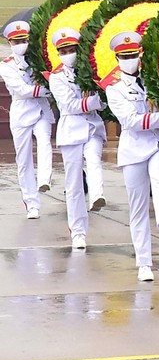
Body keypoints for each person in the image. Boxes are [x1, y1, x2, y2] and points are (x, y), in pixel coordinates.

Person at [105, 32, 159, 282]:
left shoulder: (156, 80)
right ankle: (144, 262)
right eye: (124, 56)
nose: (129, 60)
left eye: (133, 55)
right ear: (117, 58)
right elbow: (130, 121)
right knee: (137, 208)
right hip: (134, 148)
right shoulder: (114, 89)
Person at [48, 27, 107, 250]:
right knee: (73, 184)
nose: (69, 53)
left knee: (93, 159)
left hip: (92, 126)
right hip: (71, 130)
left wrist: (97, 98)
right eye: (64, 50)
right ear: (59, 53)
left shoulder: (91, 71)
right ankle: (78, 232)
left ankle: (97, 195)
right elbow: (69, 106)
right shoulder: (56, 77)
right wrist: (93, 102)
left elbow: (103, 98)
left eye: (72, 49)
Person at [0, 20, 55, 219]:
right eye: (16, 41)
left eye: (23, 39)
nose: (21, 44)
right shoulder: (6, 66)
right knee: (23, 160)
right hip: (21, 113)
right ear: (10, 43)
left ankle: (44, 179)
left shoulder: (38, 60)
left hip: (40, 109)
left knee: (44, 140)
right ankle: (31, 203)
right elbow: (21, 90)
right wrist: (48, 89)